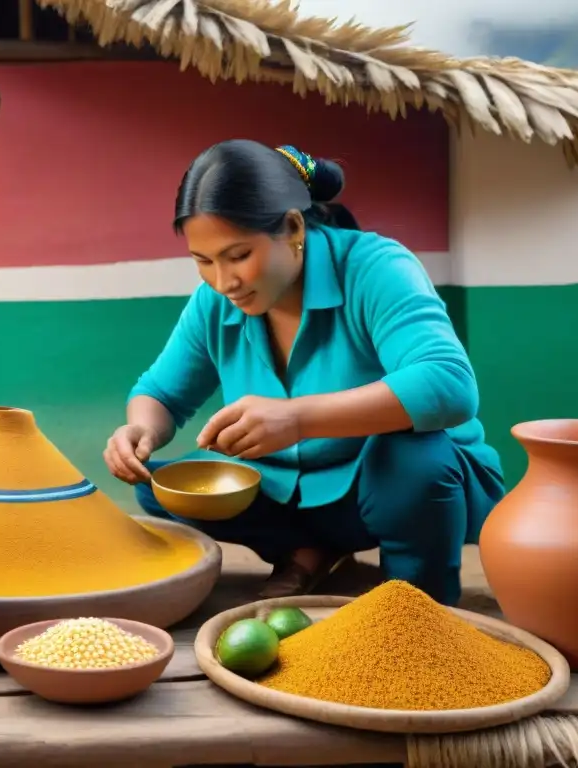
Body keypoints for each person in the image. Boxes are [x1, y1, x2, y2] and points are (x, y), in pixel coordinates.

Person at [102, 139, 504, 607]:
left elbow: (449, 384)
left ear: (293, 227)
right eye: (203, 261)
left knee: (414, 460)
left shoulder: (376, 268)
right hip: (292, 494)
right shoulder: (215, 301)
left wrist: (297, 418)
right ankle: (307, 551)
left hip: (389, 489)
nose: (223, 280)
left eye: (237, 255)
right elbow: (161, 394)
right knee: (158, 489)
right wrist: (140, 430)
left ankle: (415, 606)